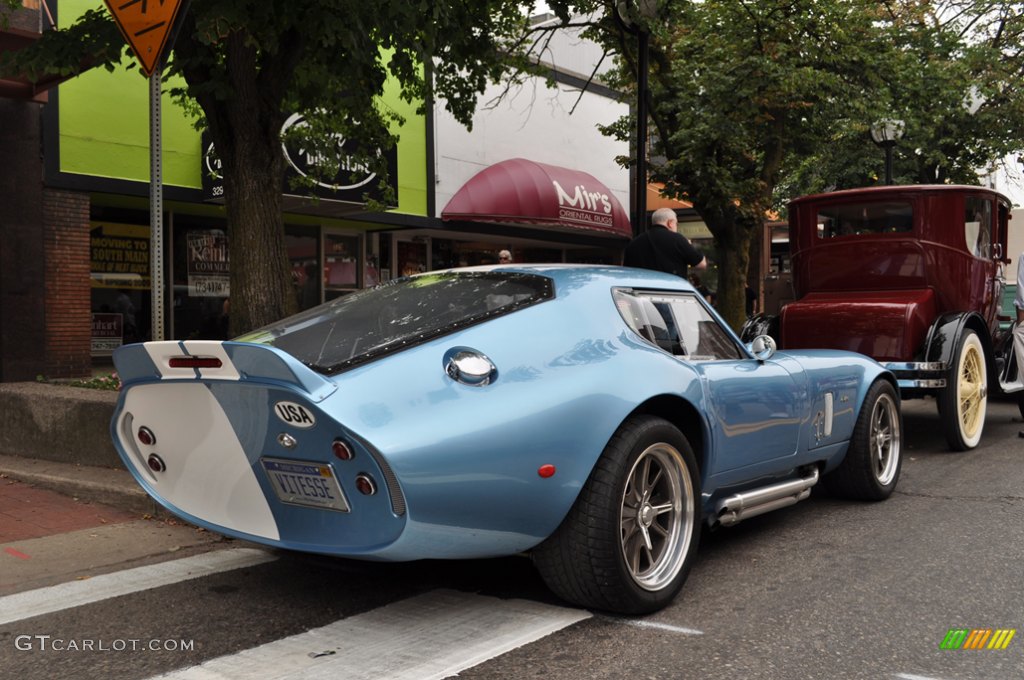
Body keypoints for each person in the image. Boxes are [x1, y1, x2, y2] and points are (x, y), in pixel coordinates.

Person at [623, 207, 706, 278]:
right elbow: (701, 264)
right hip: (671, 293)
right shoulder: (677, 239)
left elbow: (626, 271)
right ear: (670, 223)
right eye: (676, 223)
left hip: (641, 293)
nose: (677, 226)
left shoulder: (634, 243)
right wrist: (689, 245)